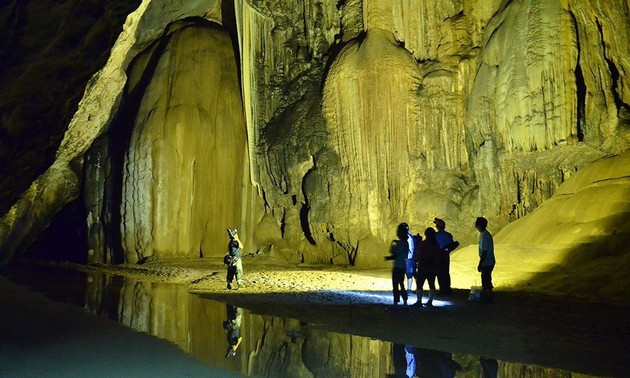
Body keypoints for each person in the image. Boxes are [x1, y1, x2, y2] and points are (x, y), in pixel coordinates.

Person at [385, 223, 409, 307]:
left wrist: (393, 243)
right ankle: (405, 301)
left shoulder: (400, 243)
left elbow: (392, 251)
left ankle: (396, 302)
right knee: (401, 283)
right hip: (403, 267)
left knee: (395, 285)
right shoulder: (406, 243)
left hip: (397, 267)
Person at [415, 227, 440, 306]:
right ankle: (430, 301)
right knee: (431, 284)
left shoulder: (423, 243)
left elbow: (419, 254)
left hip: (423, 266)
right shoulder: (436, 244)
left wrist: (417, 262)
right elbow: (437, 256)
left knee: (419, 284)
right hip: (432, 266)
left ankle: (419, 301)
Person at [475, 217, 495, 303]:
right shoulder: (485, 234)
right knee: (486, 278)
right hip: (489, 261)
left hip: (487, 262)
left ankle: (488, 297)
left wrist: (480, 263)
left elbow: (484, 251)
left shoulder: (484, 235)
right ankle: (488, 296)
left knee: (486, 279)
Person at [434, 218, 454, 295]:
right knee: (446, 272)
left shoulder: (436, 235)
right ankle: (447, 289)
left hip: (438, 256)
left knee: (439, 273)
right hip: (446, 256)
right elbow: (451, 245)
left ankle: (442, 289)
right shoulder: (448, 235)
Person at [401, 223, 416, 294]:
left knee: (408, 274)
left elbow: (408, 248)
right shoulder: (410, 236)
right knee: (409, 274)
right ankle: (408, 289)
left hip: (407, 258)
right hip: (409, 258)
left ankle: (408, 290)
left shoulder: (407, 237)